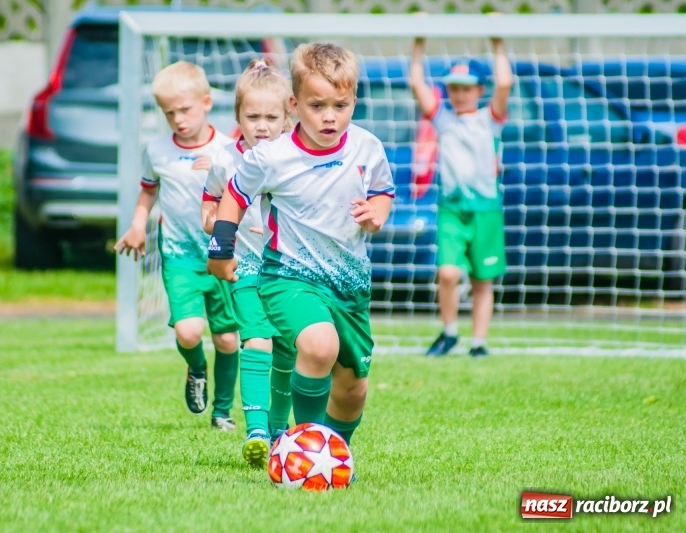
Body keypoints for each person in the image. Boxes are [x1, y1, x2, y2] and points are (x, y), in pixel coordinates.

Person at [207, 43, 395, 448]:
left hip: (349, 286)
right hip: (288, 278)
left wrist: (376, 213)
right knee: (319, 345)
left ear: (354, 101)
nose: (329, 116)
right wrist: (220, 250)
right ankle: (307, 449)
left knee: (352, 390)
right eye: (317, 105)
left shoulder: (367, 147)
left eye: (340, 106)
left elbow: (382, 191)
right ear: (294, 104)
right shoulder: (272, 157)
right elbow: (233, 196)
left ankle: (334, 452)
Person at [115, 61, 240, 430]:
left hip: (221, 256)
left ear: (206, 102)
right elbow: (148, 191)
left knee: (228, 339)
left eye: (185, 110)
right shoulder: (157, 151)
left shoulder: (227, 149)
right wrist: (138, 226)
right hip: (180, 258)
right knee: (188, 332)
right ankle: (197, 368)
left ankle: (222, 413)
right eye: (169, 113)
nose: (178, 119)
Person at [201, 58, 295, 467]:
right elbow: (209, 204)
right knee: (257, 340)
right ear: (238, 116)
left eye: (271, 117)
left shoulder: (296, 157)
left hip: (289, 270)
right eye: (252, 117)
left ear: (288, 116)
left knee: (288, 350)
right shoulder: (225, 159)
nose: (262, 126)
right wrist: (218, 225)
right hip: (247, 267)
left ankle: (278, 429)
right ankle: (256, 430)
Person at [410, 37, 513, 357]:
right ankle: (450, 331)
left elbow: (505, 83)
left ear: (479, 90)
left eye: (467, 88)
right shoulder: (444, 120)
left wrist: (498, 44)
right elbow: (417, 83)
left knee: (483, 280)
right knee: (448, 273)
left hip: (485, 210)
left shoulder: (489, 120)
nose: (460, 94)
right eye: (454, 88)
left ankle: (478, 342)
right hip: (452, 210)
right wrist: (419, 42)